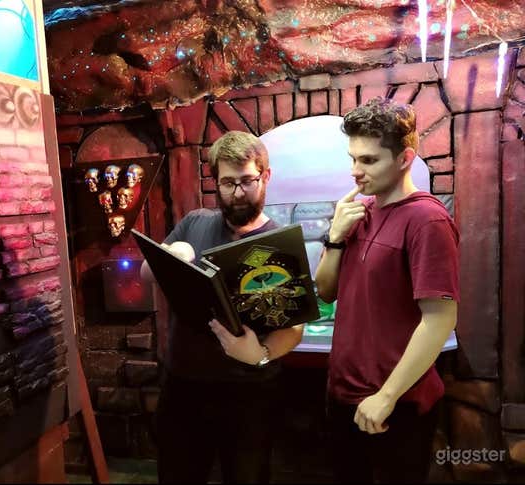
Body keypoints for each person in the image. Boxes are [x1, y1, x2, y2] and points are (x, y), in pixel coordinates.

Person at [140, 130, 304, 483]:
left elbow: (293, 328)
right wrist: (169, 256)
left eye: (247, 181)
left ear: (265, 176)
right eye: (228, 183)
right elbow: (145, 273)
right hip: (184, 387)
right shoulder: (194, 222)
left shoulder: (279, 244)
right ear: (216, 181)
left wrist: (260, 354)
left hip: (249, 393)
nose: (238, 193)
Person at [314, 97, 459, 483]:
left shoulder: (427, 220)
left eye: (368, 160)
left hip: (396, 403)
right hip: (343, 394)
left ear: (404, 158)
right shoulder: (359, 212)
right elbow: (326, 292)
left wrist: (387, 396)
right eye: (353, 158)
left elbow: (440, 319)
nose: (355, 172)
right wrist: (335, 237)